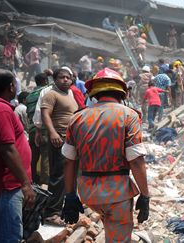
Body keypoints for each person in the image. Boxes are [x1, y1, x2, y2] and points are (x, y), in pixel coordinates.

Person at [61, 68, 149, 242]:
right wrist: (145, 196)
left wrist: (70, 195)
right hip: (118, 193)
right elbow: (136, 161)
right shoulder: (129, 115)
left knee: (107, 223)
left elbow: (68, 161)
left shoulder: (77, 118)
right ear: (122, 93)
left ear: (94, 93)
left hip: (88, 193)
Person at [0, 68, 35, 242]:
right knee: (8, 236)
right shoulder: (0, 111)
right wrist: (25, 184)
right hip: (7, 185)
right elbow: (7, 149)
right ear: (11, 86)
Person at [41, 68, 79, 225]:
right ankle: (51, 213)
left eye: (68, 77)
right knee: (58, 176)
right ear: (55, 79)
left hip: (70, 139)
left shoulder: (69, 94)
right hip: (59, 138)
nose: (65, 80)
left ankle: (64, 207)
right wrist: (52, 133)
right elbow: (45, 114)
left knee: (69, 174)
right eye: (62, 77)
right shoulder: (51, 94)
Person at [26, 73, 50, 185]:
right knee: (45, 155)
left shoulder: (29, 96)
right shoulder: (46, 91)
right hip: (43, 128)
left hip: (31, 129)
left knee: (33, 157)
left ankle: (32, 178)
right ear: (46, 81)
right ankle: (45, 182)